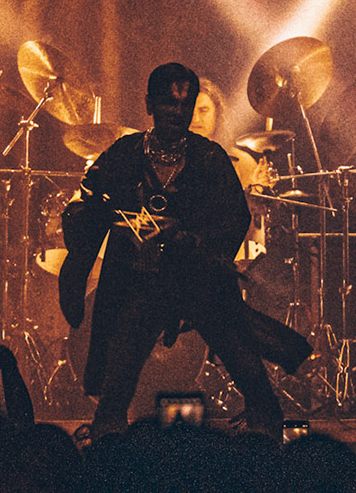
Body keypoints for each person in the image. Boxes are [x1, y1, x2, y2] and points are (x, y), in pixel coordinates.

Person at [58, 63, 292, 437]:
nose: (177, 112)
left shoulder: (210, 157)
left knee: (248, 370)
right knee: (117, 385)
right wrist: (104, 225)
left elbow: (236, 218)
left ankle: (269, 452)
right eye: (169, 103)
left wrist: (190, 241)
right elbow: (85, 204)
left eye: (186, 104)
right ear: (149, 104)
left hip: (199, 279)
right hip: (139, 283)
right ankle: (108, 454)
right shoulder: (124, 153)